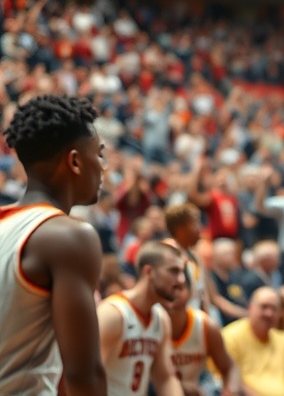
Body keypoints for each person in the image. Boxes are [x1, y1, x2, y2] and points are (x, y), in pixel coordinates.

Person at [0, 94, 107, 396]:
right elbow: (84, 376)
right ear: (74, 161)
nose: (103, 167)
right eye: (99, 154)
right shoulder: (69, 237)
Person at [96, 241, 185, 395]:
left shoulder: (160, 319)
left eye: (182, 272)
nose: (181, 280)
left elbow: (165, 378)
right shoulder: (113, 314)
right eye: (174, 271)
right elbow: (85, 376)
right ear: (149, 271)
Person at [221, 286, 284, 396]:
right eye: (264, 307)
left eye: (274, 309)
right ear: (250, 308)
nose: (269, 313)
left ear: (279, 314)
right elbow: (229, 381)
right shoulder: (230, 336)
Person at [163, 272, 242, 396]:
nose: (172, 295)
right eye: (165, 290)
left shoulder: (205, 325)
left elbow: (230, 368)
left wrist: (230, 391)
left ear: (189, 292)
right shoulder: (148, 326)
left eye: (178, 288)